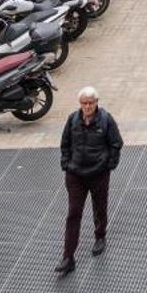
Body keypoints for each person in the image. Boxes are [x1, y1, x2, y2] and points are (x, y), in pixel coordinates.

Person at [55, 86, 123, 275]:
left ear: (96, 103)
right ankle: (68, 257)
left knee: (99, 207)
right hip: (75, 174)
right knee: (73, 213)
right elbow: (65, 143)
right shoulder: (73, 120)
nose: (87, 107)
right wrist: (66, 164)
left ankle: (100, 236)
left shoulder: (106, 120)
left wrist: (109, 166)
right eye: (84, 103)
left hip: (98, 174)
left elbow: (116, 143)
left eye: (90, 103)